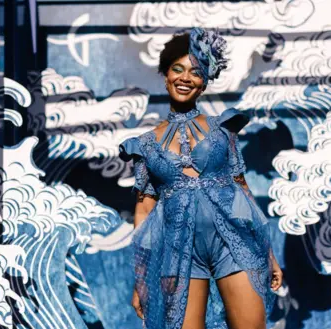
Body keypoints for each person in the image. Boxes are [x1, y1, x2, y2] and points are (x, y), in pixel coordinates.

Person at [119, 27, 283, 329]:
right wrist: (141, 280)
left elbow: (242, 190)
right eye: (177, 69)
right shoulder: (143, 145)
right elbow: (143, 213)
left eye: (194, 73)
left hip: (234, 245)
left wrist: (268, 253)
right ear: (165, 74)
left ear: (204, 82)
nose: (185, 78)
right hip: (177, 252)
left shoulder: (224, 128)